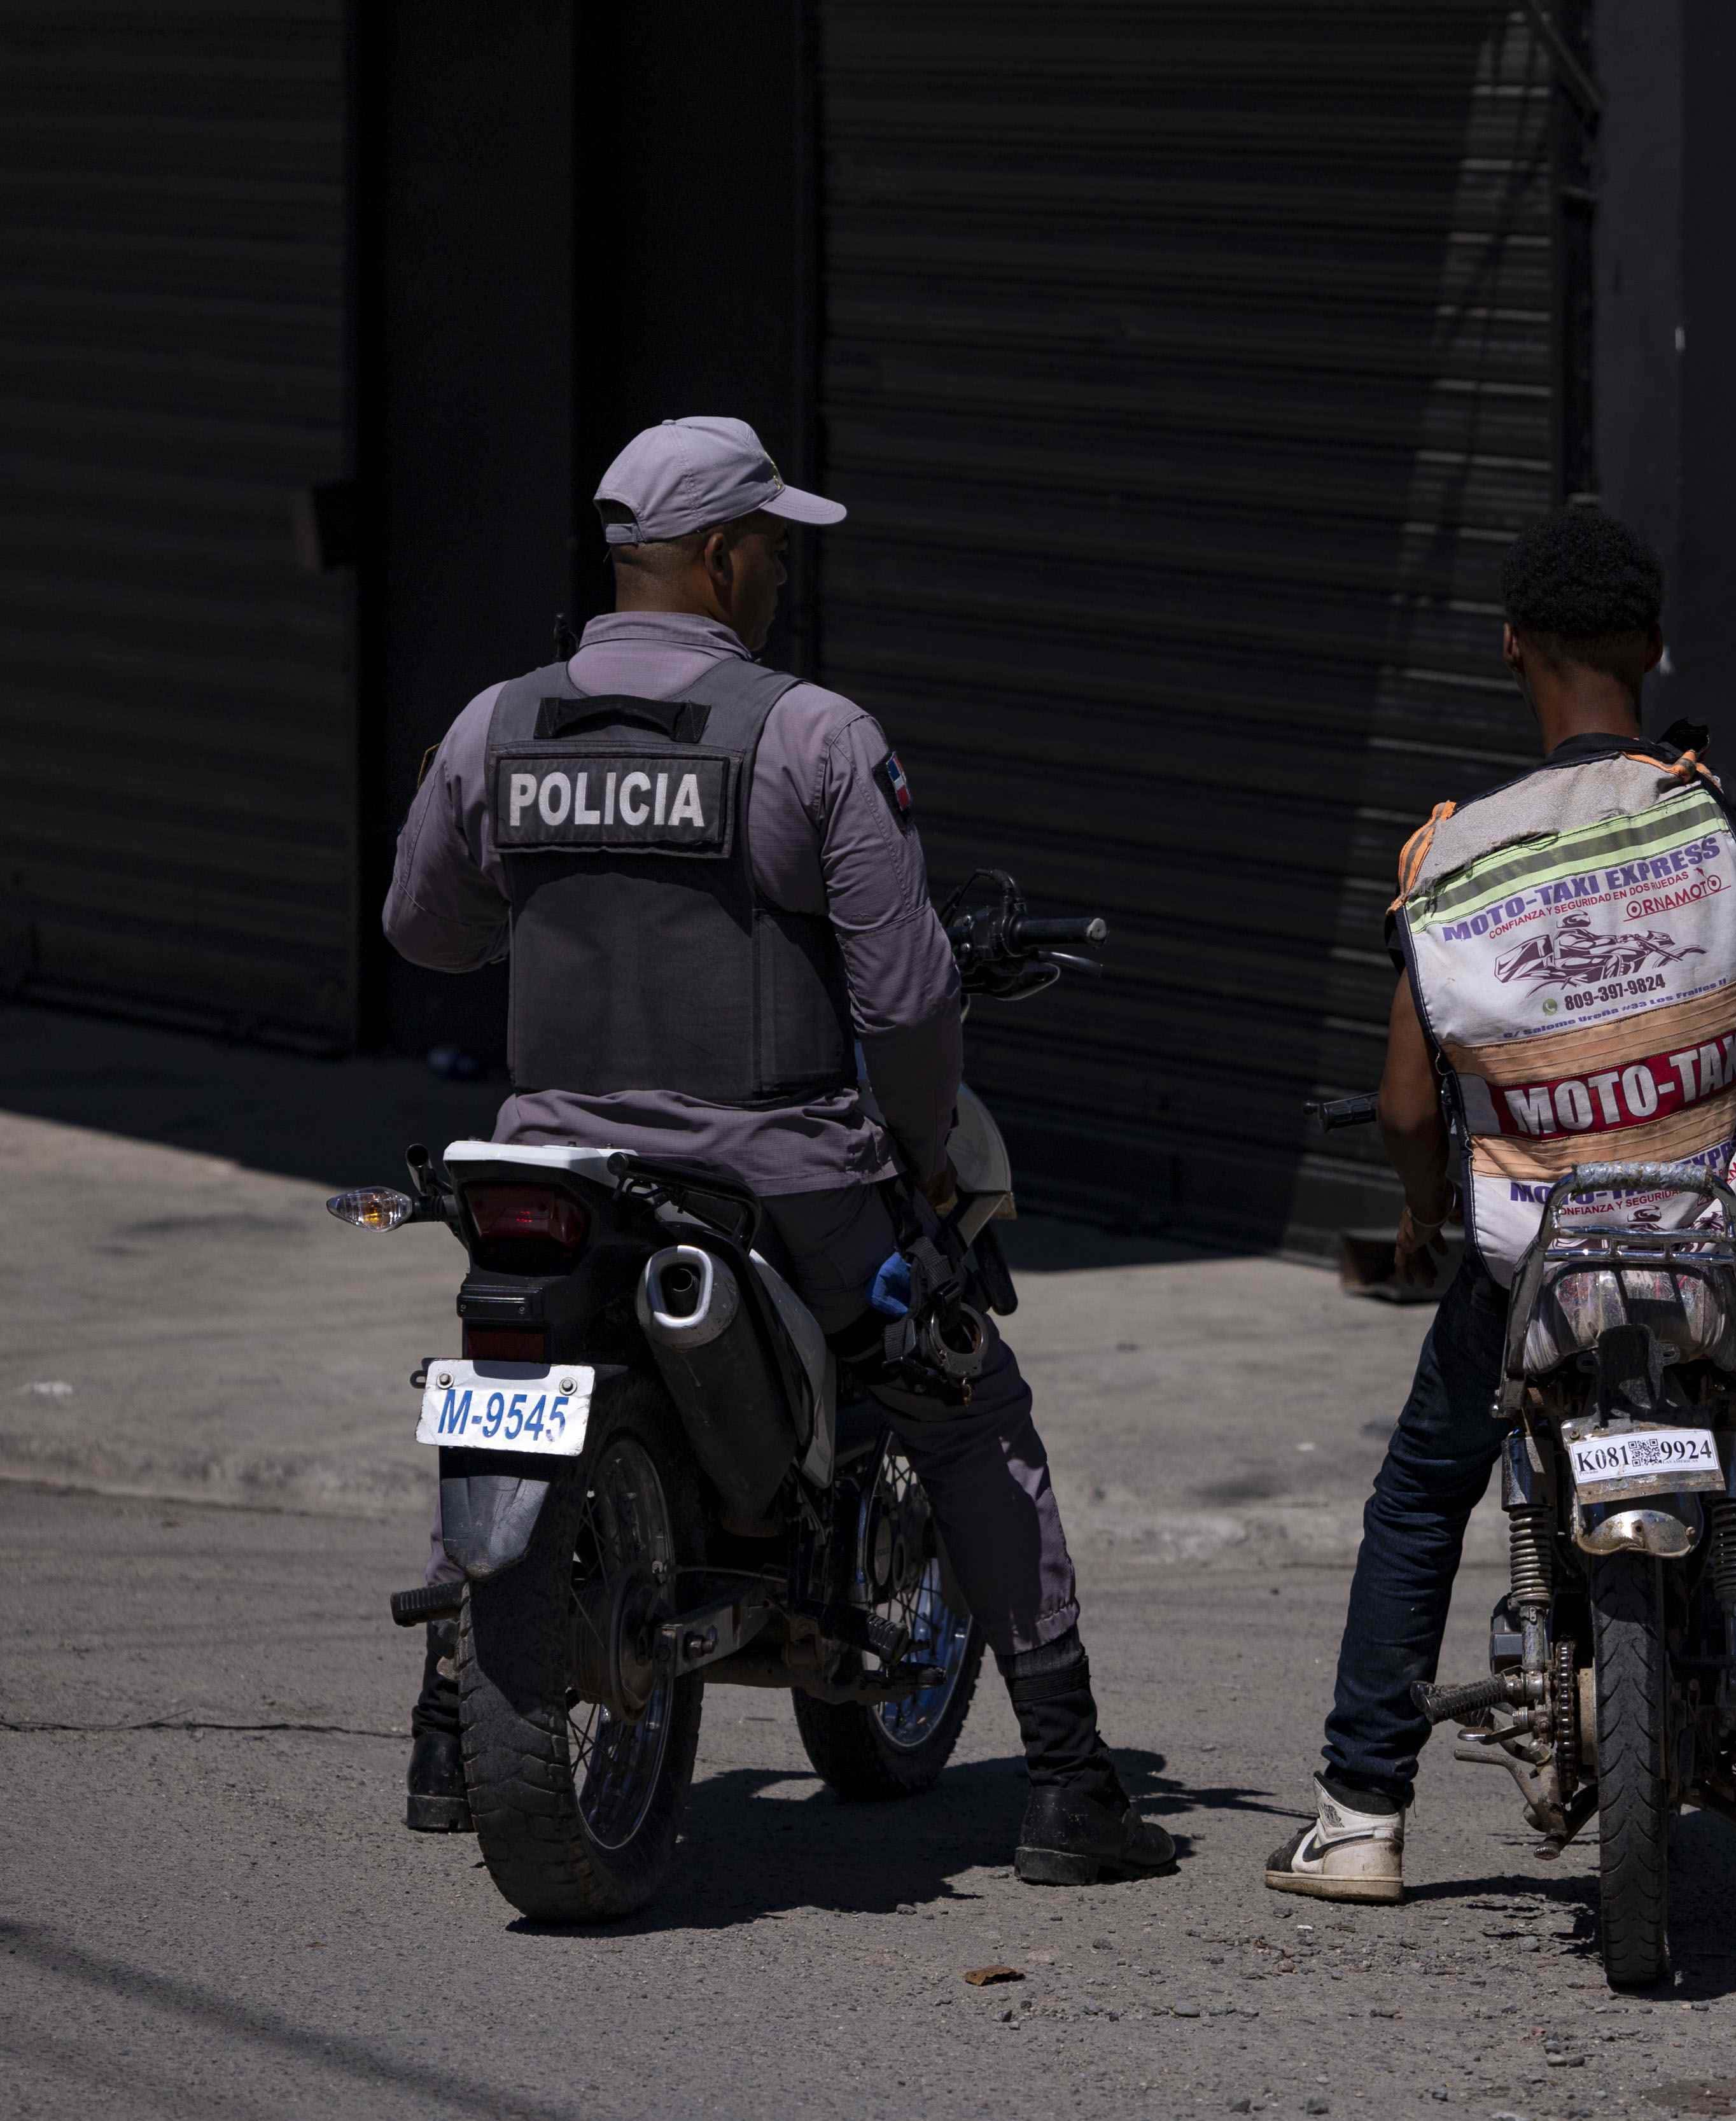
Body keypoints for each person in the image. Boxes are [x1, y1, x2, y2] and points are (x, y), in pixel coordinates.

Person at [381, 416, 1172, 1886]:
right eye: (776, 550)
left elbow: (422, 929)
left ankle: (446, 1734)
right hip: (779, 1181)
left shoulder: (498, 723)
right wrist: (926, 1157)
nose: (785, 578)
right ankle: (1067, 1775)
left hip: (548, 1168)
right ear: (727, 556)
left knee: (505, 1383)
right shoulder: (815, 735)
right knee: (964, 1398)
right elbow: (909, 996)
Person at [1261, 506, 1736, 1943]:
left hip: (1525, 1260)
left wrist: (1425, 1217)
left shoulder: (1449, 860)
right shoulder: (1722, 815)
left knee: (1420, 1497)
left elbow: (1413, 1109)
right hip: (1725, 1246)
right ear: (1653, 648)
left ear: (1510, 648)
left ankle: (1360, 1818)